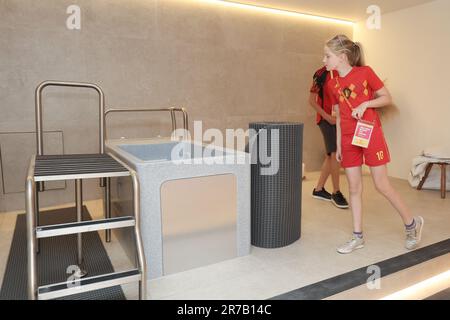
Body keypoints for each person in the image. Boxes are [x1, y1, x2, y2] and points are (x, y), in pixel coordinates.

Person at [323, 34, 424, 254]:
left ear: (342, 56)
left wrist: (366, 103)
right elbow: (339, 115)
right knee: (354, 188)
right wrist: (339, 145)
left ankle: (411, 224)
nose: (324, 60)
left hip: (370, 134)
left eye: (327, 56)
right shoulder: (332, 83)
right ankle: (357, 237)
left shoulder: (365, 73)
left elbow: (386, 98)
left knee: (381, 184)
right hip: (349, 139)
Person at [309, 66, 349, 209]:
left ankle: (319, 189)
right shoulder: (320, 74)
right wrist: (326, 116)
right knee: (334, 153)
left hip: (341, 119)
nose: (325, 59)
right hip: (326, 120)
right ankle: (336, 192)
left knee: (330, 155)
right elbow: (311, 100)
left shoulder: (347, 71)